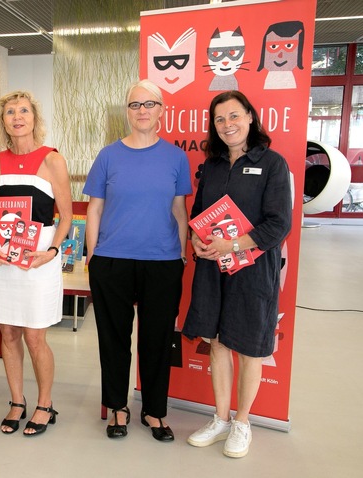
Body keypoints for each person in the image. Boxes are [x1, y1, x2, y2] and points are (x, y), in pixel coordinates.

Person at [184, 90, 292, 458]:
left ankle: (242, 422)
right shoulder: (212, 166)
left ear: (249, 117)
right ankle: (220, 417)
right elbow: (199, 215)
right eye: (219, 119)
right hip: (213, 269)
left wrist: (234, 245)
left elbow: (279, 224)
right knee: (217, 343)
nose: (227, 125)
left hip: (254, 269)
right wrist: (198, 242)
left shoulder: (273, 163)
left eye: (234, 116)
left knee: (248, 349)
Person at [83, 79, 191, 441]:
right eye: (135, 105)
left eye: (150, 104)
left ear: (161, 110)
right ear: (127, 112)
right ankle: (117, 406)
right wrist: (92, 256)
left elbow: (180, 211)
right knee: (113, 339)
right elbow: (94, 210)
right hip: (112, 261)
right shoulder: (108, 155)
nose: (142, 111)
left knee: (157, 339)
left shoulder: (177, 157)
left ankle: (155, 411)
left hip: (161, 262)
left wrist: (181, 255)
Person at [0, 91, 72, 436]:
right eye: (9, 112)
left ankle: (45, 404)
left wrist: (50, 253)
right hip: (5, 262)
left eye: (23, 111)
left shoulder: (52, 160)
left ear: (34, 117)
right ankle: (17, 401)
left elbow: (65, 218)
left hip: (38, 260)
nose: (17, 117)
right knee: (7, 334)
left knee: (35, 337)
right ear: (3, 121)